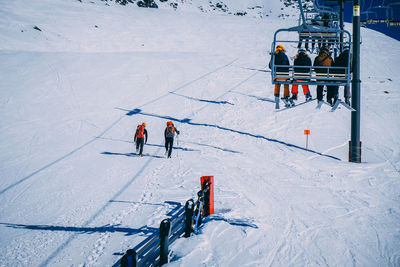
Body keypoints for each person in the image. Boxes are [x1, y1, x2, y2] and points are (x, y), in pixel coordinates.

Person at [269, 44, 290, 109]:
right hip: (285, 76)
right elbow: (288, 66)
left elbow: (270, 66)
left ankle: (277, 99)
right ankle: (286, 97)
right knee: (286, 84)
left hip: (277, 76)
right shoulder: (285, 56)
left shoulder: (274, 55)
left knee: (277, 84)